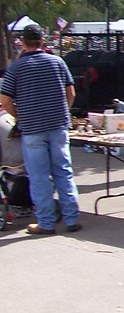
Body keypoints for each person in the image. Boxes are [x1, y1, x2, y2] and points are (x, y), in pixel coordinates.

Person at [0, 23, 82, 234]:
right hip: (58, 125)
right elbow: (71, 93)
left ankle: (46, 222)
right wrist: (64, 112)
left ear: (23, 43)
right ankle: (72, 219)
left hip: (32, 127)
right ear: (43, 41)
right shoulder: (57, 62)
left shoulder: (16, 67)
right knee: (63, 171)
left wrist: (20, 116)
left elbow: (5, 100)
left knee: (39, 176)